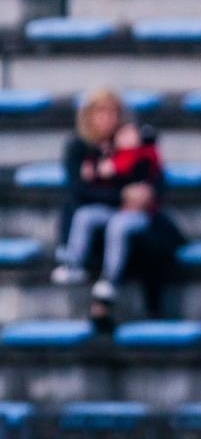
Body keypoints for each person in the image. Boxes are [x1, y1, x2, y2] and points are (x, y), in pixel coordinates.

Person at [51, 93, 183, 320]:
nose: (108, 119)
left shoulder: (133, 145)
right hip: (96, 226)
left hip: (128, 223)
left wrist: (145, 193)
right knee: (91, 221)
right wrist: (122, 196)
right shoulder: (80, 147)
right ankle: (84, 278)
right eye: (101, 112)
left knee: (144, 237)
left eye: (113, 112)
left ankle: (145, 307)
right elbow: (80, 192)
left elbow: (154, 180)